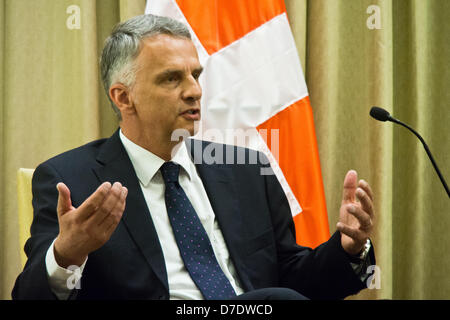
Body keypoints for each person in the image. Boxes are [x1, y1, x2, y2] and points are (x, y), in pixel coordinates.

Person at [12, 14, 375, 300]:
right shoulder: (71, 179)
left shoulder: (246, 169)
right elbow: (29, 295)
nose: (194, 91)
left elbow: (295, 278)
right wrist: (67, 254)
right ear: (123, 97)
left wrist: (348, 249)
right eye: (172, 79)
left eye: (196, 75)